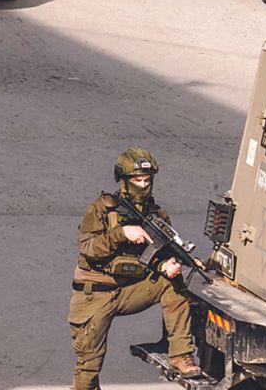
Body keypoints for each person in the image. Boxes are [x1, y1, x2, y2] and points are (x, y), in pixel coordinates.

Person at [70, 148, 202, 390]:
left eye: (147, 180)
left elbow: (155, 256)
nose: (142, 185)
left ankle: (180, 354)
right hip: (94, 293)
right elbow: (88, 248)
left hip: (129, 291)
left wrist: (166, 265)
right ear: (123, 181)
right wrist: (122, 233)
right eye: (136, 180)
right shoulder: (103, 208)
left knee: (173, 283)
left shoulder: (156, 215)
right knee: (88, 367)